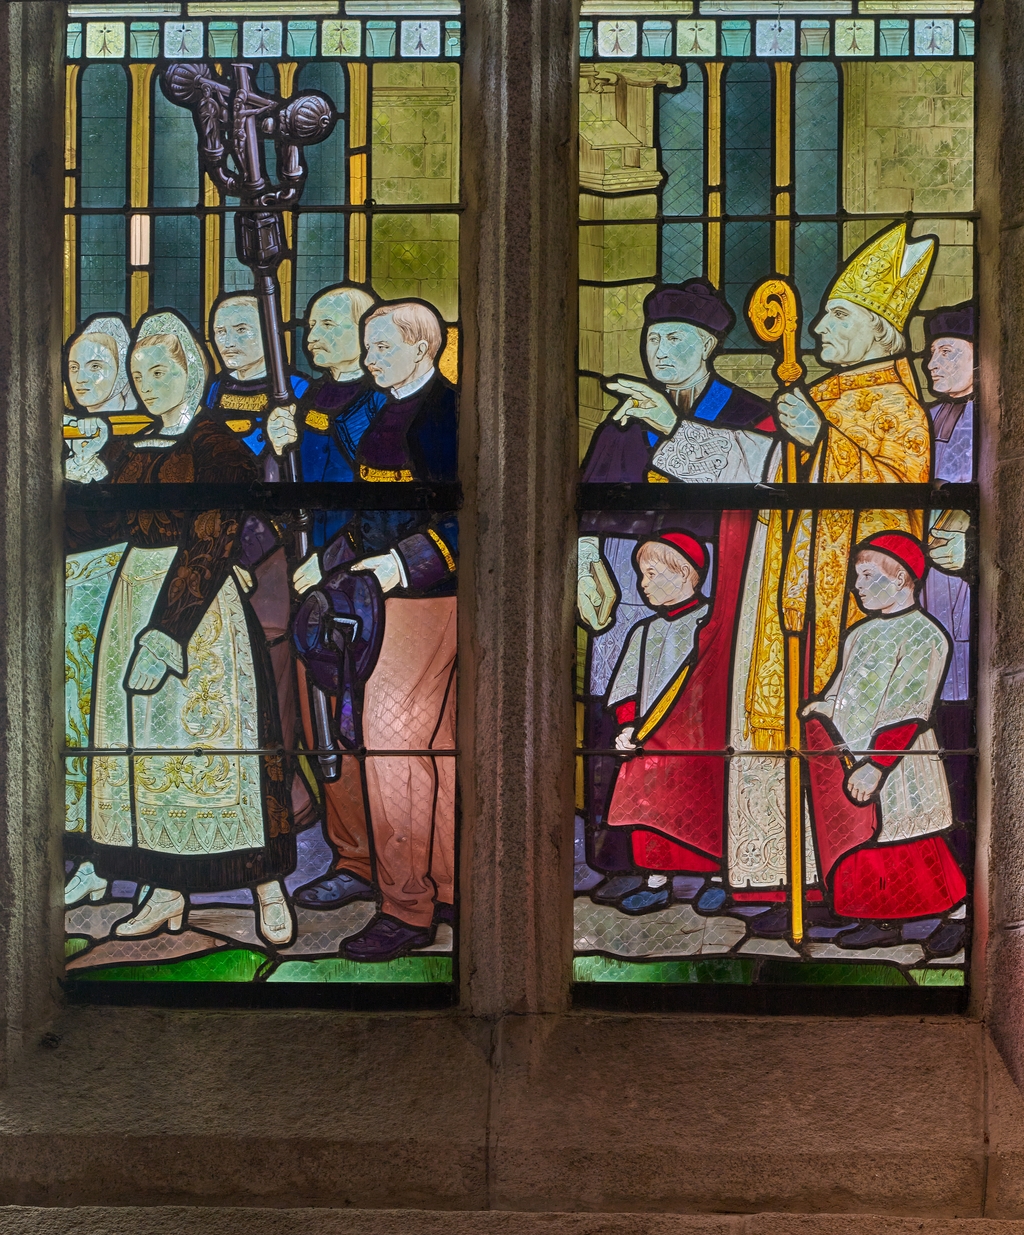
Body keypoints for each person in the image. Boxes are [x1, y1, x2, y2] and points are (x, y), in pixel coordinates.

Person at [721, 222, 938, 936]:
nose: (818, 328)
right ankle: (786, 875)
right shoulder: (826, 394)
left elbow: (897, 507)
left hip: (851, 614)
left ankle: (849, 887)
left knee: (845, 739)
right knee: (778, 725)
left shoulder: (896, 406)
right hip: (789, 602)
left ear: (880, 330)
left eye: (837, 315)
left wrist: (821, 441)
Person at [64, 310, 296, 946]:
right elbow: (103, 529)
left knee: (226, 752)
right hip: (133, 598)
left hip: (201, 608)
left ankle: (266, 889)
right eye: (139, 375)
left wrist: (167, 633)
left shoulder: (218, 446)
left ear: (191, 369)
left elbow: (213, 537)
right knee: (148, 758)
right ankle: (165, 891)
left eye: (159, 371)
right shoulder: (132, 449)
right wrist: (79, 488)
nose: (147, 385)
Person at [577, 282, 774, 909]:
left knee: (701, 716)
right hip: (625, 581)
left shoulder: (746, 413)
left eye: (675, 339)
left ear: (709, 345)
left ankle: (714, 860)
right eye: (653, 337)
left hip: (713, 577)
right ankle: (623, 854)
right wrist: (585, 561)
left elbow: (758, 493)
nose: (659, 350)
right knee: (620, 707)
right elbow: (591, 498)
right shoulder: (625, 417)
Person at [293, 300, 457, 961]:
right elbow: (371, 515)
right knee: (433, 748)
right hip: (389, 593)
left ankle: (407, 908)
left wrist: (401, 564)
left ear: (422, 347)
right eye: (367, 347)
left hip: (428, 598)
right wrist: (329, 560)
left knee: (394, 747)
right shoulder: (390, 410)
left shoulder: (448, 415)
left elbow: (470, 516)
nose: (370, 359)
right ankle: (445, 886)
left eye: (382, 347)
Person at [267, 284, 389, 912]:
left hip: (358, 580)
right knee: (322, 728)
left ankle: (391, 859)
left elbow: (374, 501)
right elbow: (285, 487)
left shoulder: (379, 402)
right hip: (307, 579)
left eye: (326, 326)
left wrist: (331, 556)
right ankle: (353, 857)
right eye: (310, 326)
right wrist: (277, 444)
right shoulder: (309, 398)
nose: (311, 337)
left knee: (363, 724)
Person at [803, 533, 967, 957]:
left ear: (901, 579)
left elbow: (908, 709)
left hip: (900, 757)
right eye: (857, 575)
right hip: (852, 752)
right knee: (870, 838)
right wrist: (821, 708)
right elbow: (842, 691)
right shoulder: (859, 633)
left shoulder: (925, 634)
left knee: (908, 836)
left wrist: (878, 764)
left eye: (867, 575)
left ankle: (955, 914)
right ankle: (876, 916)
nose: (857, 585)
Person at [206, 293, 316, 829]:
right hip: (220, 544)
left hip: (272, 550)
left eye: (242, 330)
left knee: (272, 665)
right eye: (221, 332)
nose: (228, 342)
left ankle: (283, 790)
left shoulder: (298, 390)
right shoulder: (211, 389)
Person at [63, 314, 141, 906]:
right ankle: (76, 851)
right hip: (61, 603)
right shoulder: (52, 433)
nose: (83, 378)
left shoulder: (140, 440)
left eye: (97, 366)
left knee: (110, 726)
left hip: (118, 597)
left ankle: (108, 857)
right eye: (74, 367)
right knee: (68, 723)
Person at [602, 533, 713, 913]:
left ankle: (714, 879)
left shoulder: (712, 624)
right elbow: (627, 690)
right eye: (640, 574)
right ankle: (656, 880)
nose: (642, 584)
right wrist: (627, 728)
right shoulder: (644, 631)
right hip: (651, 741)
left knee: (701, 808)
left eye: (651, 573)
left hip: (701, 741)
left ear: (684, 572)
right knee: (649, 808)